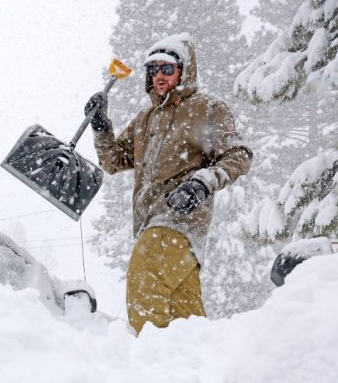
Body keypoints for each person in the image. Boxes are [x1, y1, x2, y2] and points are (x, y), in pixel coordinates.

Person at [84, 34, 252, 334]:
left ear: (184, 71)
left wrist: (201, 183)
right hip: (151, 225)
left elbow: (239, 155)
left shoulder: (205, 108)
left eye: (167, 69)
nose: (158, 76)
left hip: (178, 221)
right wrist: (101, 127)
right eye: (153, 69)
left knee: (144, 281)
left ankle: (150, 367)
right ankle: (199, 372)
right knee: (185, 322)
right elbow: (113, 161)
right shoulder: (146, 118)